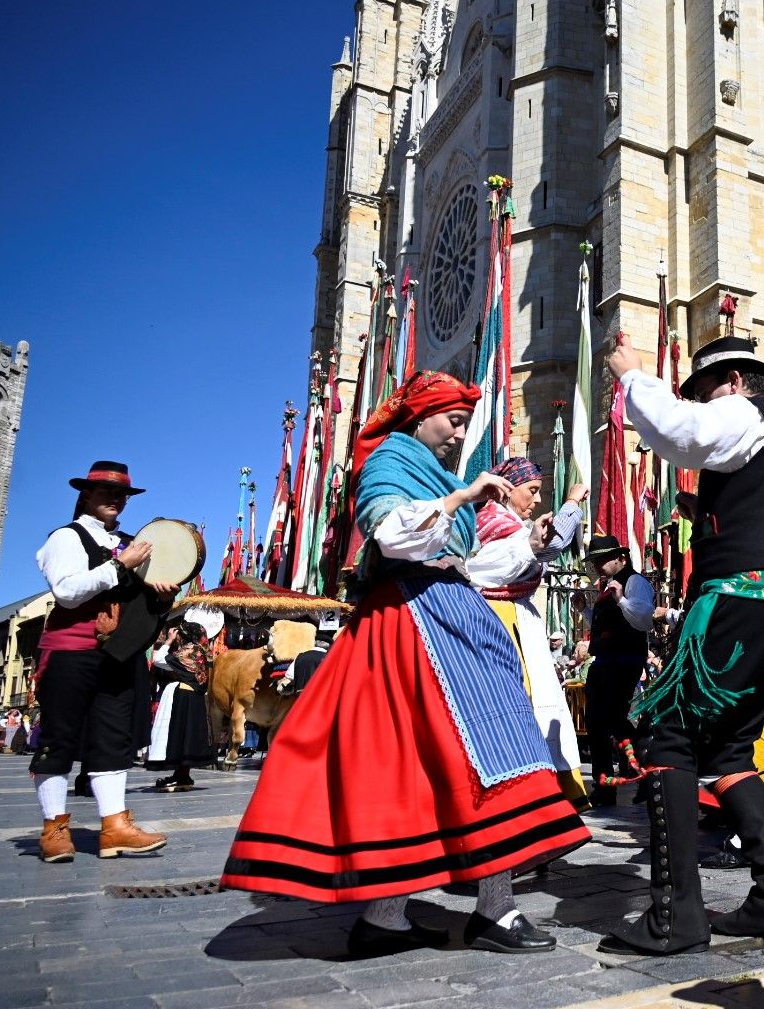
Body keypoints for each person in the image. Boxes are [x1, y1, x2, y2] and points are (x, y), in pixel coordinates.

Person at [220, 371, 590, 958]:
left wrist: (527, 539)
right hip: (415, 627)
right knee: (461, 756)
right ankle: (470, 911)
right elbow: (390, 532)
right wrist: (461, 497)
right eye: (453, 421)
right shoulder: (391, 459)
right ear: (420, 418)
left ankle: (397, 917)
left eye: (465, 423)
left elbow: (469, 559)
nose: (459, 434)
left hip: (451, 619)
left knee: (444, 759)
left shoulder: (438, 472)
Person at [593, 332, 764, 956]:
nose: (705, 400)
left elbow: (679, 430)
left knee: (668, 736)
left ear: (735, 382)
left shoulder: (744, 411)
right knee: (731, 745)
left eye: (706, 389)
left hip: (742, 597)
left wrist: (633, 377)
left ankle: (676, 915)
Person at [31, 461, 178, 864]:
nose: (116, 500)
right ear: (86, 495)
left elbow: (140, 602)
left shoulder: (131, 543)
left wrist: (162, 596)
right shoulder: (66, 538)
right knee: (58, 738)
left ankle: (114, 826)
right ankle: (54, 829)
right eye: (107, 493)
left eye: (122, 495)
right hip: (70, 652)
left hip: (117, 653)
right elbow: (67, 592)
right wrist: (120, 565)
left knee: (113, 739)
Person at [467, 456, 589, 805]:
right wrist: (571, 504)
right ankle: (519, 796)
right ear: (506, 490)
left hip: (517, 619)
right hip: (497, 622)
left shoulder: (504, 524)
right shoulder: (493, 523)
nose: (537, 501)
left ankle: (540, 794)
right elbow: (544, 548)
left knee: (538, 707)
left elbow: (544, 547)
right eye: (532, 491)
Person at [576, 534, 652, 809]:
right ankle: (608, 782)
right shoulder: (610, 586)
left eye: (602, 559)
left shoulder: (635, 582)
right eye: (595, 560)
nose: (597, 564)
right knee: (600, 723)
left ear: (621, 558)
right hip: (607, 661)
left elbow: (643, 618)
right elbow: (610, 623)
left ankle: (642, 770)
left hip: (623, 661)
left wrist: (621, 601)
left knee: (612, 721)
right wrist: (585, 610)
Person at [145, 617, 216, 792]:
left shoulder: (187, 652)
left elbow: (158, 659)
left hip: (183, 695)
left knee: (178, 735)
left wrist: (168, 641)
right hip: (197, 698)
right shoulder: (205, 652)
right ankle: (182, 774)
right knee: (189, 736)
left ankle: (180, 774)